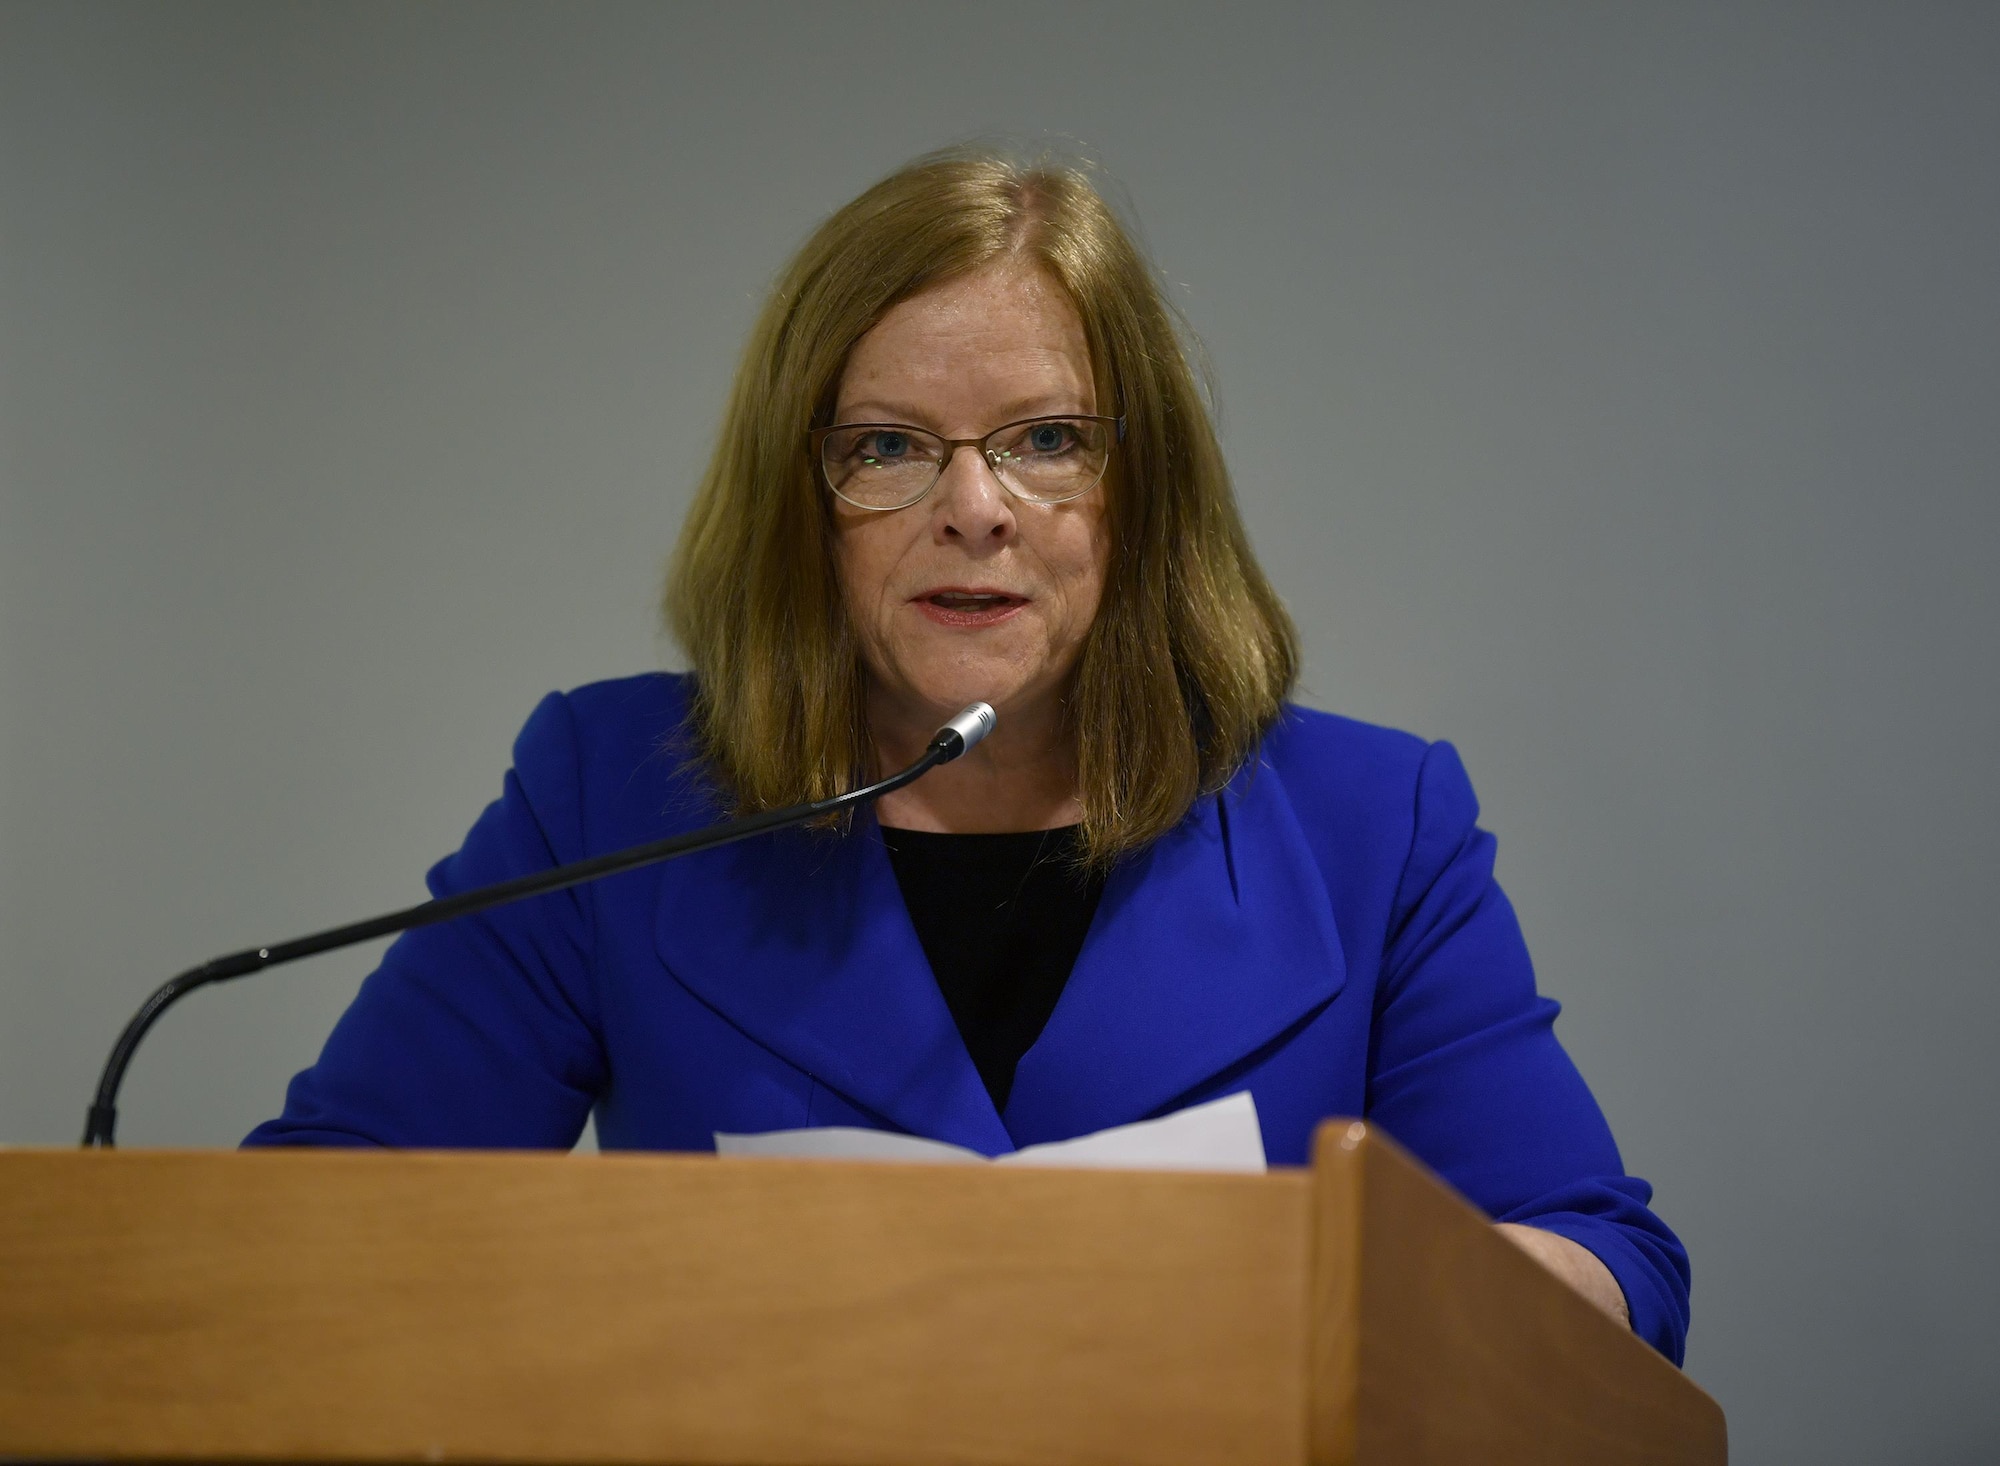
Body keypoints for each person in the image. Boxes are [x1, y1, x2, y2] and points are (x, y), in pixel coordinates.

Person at [246, 147, 1692, 1363]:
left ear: (1145, 488)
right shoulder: (611, 793)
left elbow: (1605, 1263)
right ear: (799, 499)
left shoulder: (1371, 825)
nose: (975, 506)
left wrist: (1355, 1313)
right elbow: (313, 1229)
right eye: (888, 448)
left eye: (1046, 437)